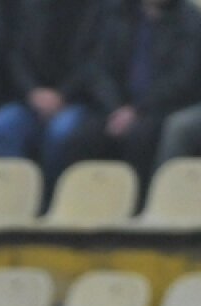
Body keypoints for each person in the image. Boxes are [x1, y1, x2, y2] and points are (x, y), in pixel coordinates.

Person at [58, 0, 201, 195]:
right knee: (83, 136)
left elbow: (183, 79)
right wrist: (116, 108)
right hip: (115, 107)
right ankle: (80, 204)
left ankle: (138, 205)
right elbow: (98, 69)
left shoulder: (189, 20)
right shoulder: (116, 14)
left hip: (159, 107)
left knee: (141, 138)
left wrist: (137, 109)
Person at [0, 0, 105, 192]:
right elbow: (14, 54)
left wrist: (63, 94)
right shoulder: (25, 7)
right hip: (30, 100)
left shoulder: (92, 8)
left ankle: (50, 200)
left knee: (61, 133)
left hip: (77, 100)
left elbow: (93, 61)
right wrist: (32, 92)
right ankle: (18, 199)